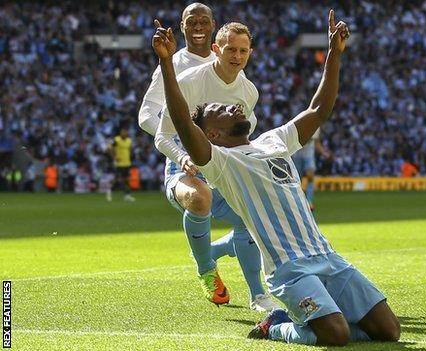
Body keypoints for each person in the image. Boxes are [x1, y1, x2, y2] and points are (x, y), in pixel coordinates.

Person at [152, 9, 400, 346]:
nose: (230, 106)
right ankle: (277, 326)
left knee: (389, 332)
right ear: (211, 133)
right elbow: (181, 120)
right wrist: (167, 63)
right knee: (336, 336)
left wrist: (334, 54)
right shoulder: (220, 162)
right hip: (290, 269)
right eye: (218, 109)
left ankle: (323, 317)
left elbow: (318, 110)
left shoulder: (274, 139)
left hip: (327, 257)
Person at [142, 3, 278, 311]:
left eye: (243, 51)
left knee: (251, 218)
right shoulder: (188, 80)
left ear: (250, 53)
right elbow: (162, 133)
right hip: (184, 166)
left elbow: (245, 133)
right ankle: (206, 270)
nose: (236, 56)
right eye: (231, 49)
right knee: (200, 196)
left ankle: (258, 295)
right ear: (217, 49)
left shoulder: (249, 92)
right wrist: (183, 157)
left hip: (222, 167)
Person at [291, 129, 331, 211]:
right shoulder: (299, 122)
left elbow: (316, 142)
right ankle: (298, 202)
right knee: (298, 180)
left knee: (311, 176)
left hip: (309, 155)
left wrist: (324, 153)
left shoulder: (316, 127)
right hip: (297, 155)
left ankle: (309, 202)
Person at [108, 127, 135, 202]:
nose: (125, 133)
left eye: (126, 132)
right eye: (123, 132)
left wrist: (130, 156)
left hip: (127, 163)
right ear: (120, 133)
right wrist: (114, 157)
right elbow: (109, 148)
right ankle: (110, 192)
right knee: (119, 180)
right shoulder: (117, 140)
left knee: (126, 180)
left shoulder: (129, 141)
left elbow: (130, 150)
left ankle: (127, 195)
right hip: (119, 164)